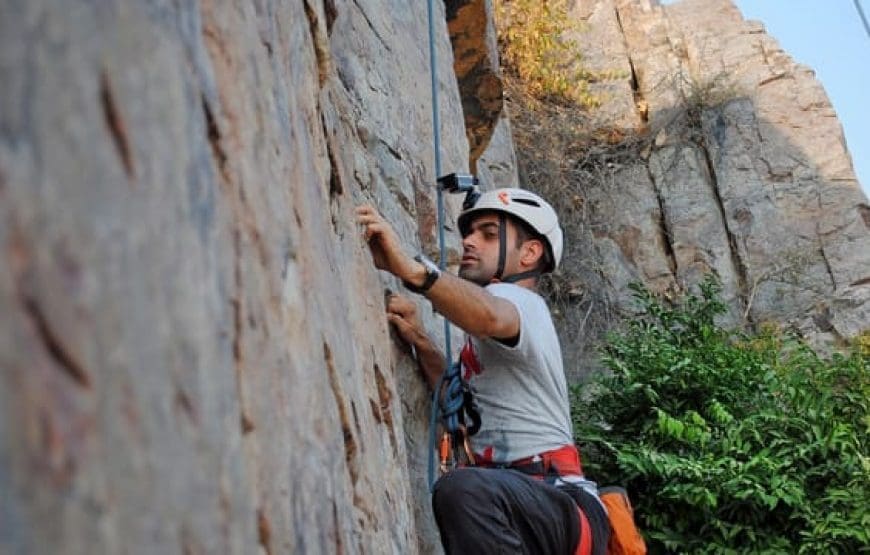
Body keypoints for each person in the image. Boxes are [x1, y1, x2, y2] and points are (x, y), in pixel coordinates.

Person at [356, 188, 609, 555]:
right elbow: (460, 404)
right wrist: (422, 344)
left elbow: (491, 314)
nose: (470, 241)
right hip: (531, 505)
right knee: (467, 488)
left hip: (555, 498)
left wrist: (414, 271)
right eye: (470, 233)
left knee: (463, 489)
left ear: (530, 253)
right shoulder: (492, 339)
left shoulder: (524, 304)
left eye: (489, 234)